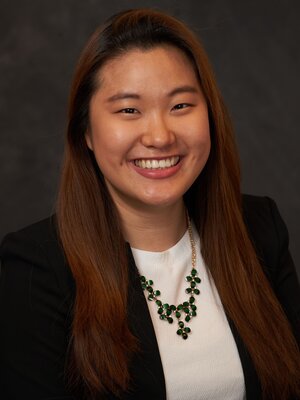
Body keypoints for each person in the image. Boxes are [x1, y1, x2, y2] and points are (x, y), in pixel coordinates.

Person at [0, 8, 299, 400]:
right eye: (129, 110)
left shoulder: (259, 227)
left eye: (180, 106)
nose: (159, 136)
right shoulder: (32, 269)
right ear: (85, 131)